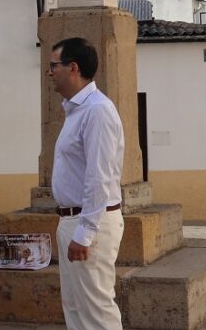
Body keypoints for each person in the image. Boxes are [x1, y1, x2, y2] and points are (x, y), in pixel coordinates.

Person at [48, 37, 125, 330]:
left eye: (54, 65)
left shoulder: (97, 111)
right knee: (76, 309)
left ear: (73, 68)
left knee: (96, 311)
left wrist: (85, 232)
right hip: (73, 219)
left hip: (90, 220)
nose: (50, 72)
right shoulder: (76, 109)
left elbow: (99, 176)